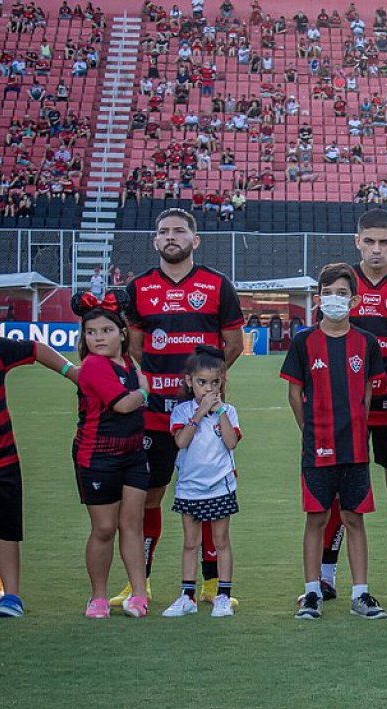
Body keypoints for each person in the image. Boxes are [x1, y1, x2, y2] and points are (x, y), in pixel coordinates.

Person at [117, 209, 244, 609]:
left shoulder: (217, 285)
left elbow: (233, 345)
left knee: (209, 496)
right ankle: (143, 583)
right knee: (150, 496)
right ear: (155, 241)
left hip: (206, 418)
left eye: (179, 231)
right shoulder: (139, 287)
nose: (171, 237)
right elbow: (135, 347)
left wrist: (204, 392)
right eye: (163, 232)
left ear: (195, 238)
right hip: (156, 415)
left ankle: (210, 584)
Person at [313, 209, 387, 601]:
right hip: (345, 411)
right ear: (357, 241)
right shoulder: (340, 287)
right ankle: (325, 575)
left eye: (384, 242)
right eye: (368, 241)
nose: (376, 249)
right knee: (340, 493)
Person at [284, 263, 387, 621]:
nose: (334, 299)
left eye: (341, 293)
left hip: (355, 448)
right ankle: (312, 592)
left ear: (355, 300)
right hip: (317, 446)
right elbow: (295, 395)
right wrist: (311, 431)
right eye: (327, 292)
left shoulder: (366, 342)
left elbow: (368, 393)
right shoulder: (303, 341)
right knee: (316, 518)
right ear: (318, 299)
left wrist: (354, 427)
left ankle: (360, 593)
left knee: (354, 519)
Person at [72, 291, 151, 618]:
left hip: (133, 454)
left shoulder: (128, 361)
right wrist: (144, 390)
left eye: (105, 331)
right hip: (97, 458)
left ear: (122, 333)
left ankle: (138, 595)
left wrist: (141, 387)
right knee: (104, 528)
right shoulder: (92, 366)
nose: (97, 338)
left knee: (132, 525)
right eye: (91, 332)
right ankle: (98, 598)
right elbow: (123, 404)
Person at [0, 319, 78, 617]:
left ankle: (12, 597)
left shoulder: (1, 347)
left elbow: (37, 349)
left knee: (7, 530)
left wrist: (72, 373)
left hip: (3, 460)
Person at [162, 346, 240, 618]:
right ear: (189, 382)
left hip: (220, 485)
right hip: (190, 488)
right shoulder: (182, 412)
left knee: (221, 541)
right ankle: (187, 596)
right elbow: (181, 441)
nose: (208, 389)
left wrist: (218, 413)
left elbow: (231, 442)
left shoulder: (228, 411)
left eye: (214, 382)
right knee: (190, 543)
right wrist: (198, 414)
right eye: (201, 382)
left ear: (222, 382)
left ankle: (223, 596)